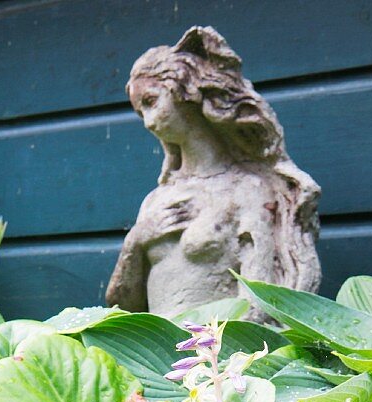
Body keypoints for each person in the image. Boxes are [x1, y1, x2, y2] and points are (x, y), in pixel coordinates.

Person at [106, 26, 320, 317]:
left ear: (185, 93)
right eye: (140, 112)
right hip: (157, 359)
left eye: (151, 102)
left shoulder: (249, 190)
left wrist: (222, 359)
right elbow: (122, 309)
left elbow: (260, 307)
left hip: (219, 355)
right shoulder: (156, 200)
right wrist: (137, 240)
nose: (147, 121)